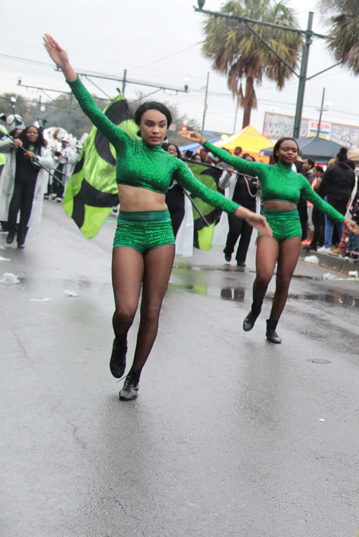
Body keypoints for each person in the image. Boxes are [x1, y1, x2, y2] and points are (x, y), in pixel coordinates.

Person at [44, 34, 271, 400]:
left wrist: (245, 212)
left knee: (151, 310)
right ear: (140, 125)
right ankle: (120, 339)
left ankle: (134, 376)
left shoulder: (172, 162)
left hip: (160, 234)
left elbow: (206, 192)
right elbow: (91, 109)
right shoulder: (124, 144)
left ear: (167, 128)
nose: (155, 129)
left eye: (161, 124)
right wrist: (67, 67)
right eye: (149, 123)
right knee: (126, 310)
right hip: (129, 232)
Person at [183, 130, 359, 342]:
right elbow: (233, 160)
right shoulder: (263, 170)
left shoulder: (300, 180)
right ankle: (255, 309)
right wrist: (204, 142)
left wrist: (343, 220)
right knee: (264, 276)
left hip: (292, 228)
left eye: (293, 150)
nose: (290, 153)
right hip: (269, 225)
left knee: (284, 280)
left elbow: (319, 203)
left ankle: (272, 326)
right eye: (285, 149)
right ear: (277, 152)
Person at [0, 125, 54, 248]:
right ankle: (11, 231)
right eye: (29, 132)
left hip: (32, 184)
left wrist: (35, 157)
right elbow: (1, 147)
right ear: (25, 134)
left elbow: (50, 162)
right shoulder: (17, 146)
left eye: (35, 133)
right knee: (13, 208)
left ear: (38, 135)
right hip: (17, 182)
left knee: (26, 212)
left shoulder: (43, 148)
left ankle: (21, 239)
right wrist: (13, 142)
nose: (32, 135)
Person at [223, 154, 260, 267]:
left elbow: (262, 195)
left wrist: (261, 186)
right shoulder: (235, 174)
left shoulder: (257, 177)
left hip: (251, 209)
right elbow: (222, 185)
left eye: (250, 162)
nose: (247, 164)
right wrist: (227, 175)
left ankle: (241, 258)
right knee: (235, 230)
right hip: (236, 207)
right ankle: (228, 249)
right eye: (245, 161)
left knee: (247, 233)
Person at [318, 147, 355, 253]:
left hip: (331, 196)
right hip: (344, 198)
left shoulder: (332, 169)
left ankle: (327, 245)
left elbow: (324, 183)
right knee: (340, 221)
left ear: (337, 158)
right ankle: (343, 245)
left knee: (329, 221)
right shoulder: (351, 172)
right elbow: (352, 186)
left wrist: (320, 195)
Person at [162, 143, 187, 239]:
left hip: (177, 208)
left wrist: (183, 182)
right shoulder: (157, 166)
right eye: (169, 150)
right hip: (160, 206)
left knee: (172, 237)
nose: (172, 152)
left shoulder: (182, 167)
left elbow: (191, 188)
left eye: (175, 151)